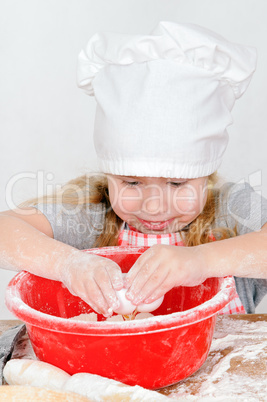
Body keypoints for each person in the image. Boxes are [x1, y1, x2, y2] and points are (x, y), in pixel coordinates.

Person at [1, 22, 267, 317]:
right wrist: (67, 264)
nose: (153, 206)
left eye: (177, 183)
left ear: (206, 174)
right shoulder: (92, 217)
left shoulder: (231, 210)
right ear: (110, 176)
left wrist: (200, 260)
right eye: (131, 183)